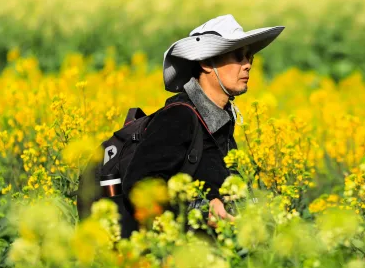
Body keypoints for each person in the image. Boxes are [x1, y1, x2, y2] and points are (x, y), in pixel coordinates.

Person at [122, 14, 284, 228]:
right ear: (207, 63)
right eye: (237, 56)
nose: (247, 65)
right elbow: (139, 186)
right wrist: (199, 208)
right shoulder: (178, 117)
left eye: (249, 57)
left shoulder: (221, 119)